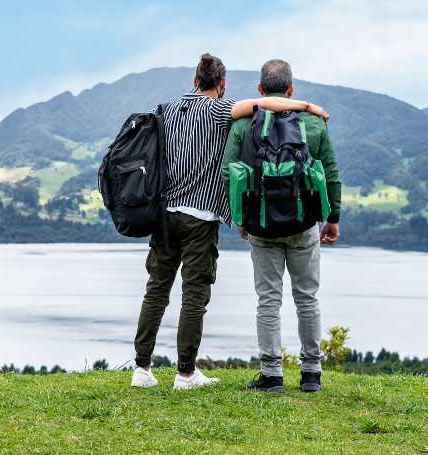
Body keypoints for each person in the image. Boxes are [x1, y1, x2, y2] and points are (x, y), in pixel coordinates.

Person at [131, 54, 329, 390]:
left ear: (195, 80)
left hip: (163, 216)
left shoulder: (165, 110)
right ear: (221, 84)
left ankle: (142, 369)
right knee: (194, 294)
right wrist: (308, 107)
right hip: (200, 216)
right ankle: (185, 374)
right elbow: (266, 104)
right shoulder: (220, 110)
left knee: (156, 291)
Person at [220, 59, 341, 393]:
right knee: (307, 298)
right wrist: (332, 219)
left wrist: (241, 218)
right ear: (291, 89)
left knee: (268, 301)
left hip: (260, 226)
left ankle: (271, 375)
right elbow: (330, 174)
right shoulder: (314, 124)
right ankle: (311, 374)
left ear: (260, 90)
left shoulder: (244, 124)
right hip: (304, 225)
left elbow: (228, 173)